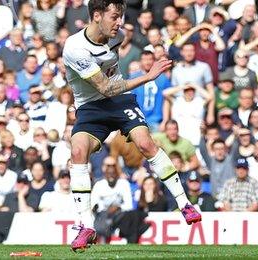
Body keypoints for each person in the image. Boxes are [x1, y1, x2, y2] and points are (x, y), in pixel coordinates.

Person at [61, 0, 200, 251]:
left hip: (119, 102)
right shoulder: (75, 48)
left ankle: (184, 203)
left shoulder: (118, 35)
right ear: (96, 15)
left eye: (121, 16)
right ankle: (86, 225)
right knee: (77, 151)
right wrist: (146, 76)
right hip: (90, 107)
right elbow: (104, 86)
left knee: (146, 143)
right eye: (114, 17)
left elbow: (113, 84)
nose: (120, 23)